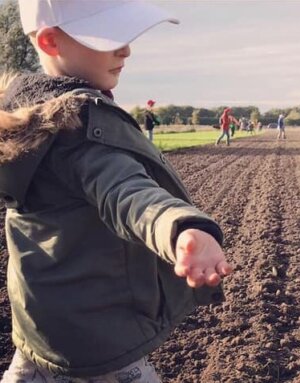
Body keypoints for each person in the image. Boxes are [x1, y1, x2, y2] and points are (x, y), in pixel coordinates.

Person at [0, 1, 232, 382]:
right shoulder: (81, 134)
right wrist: (179, 227)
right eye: (109, 37)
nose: (126, 50)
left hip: (37, 330)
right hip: (97, 344)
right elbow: (128, 194)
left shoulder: (25, 120)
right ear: (50, 41)